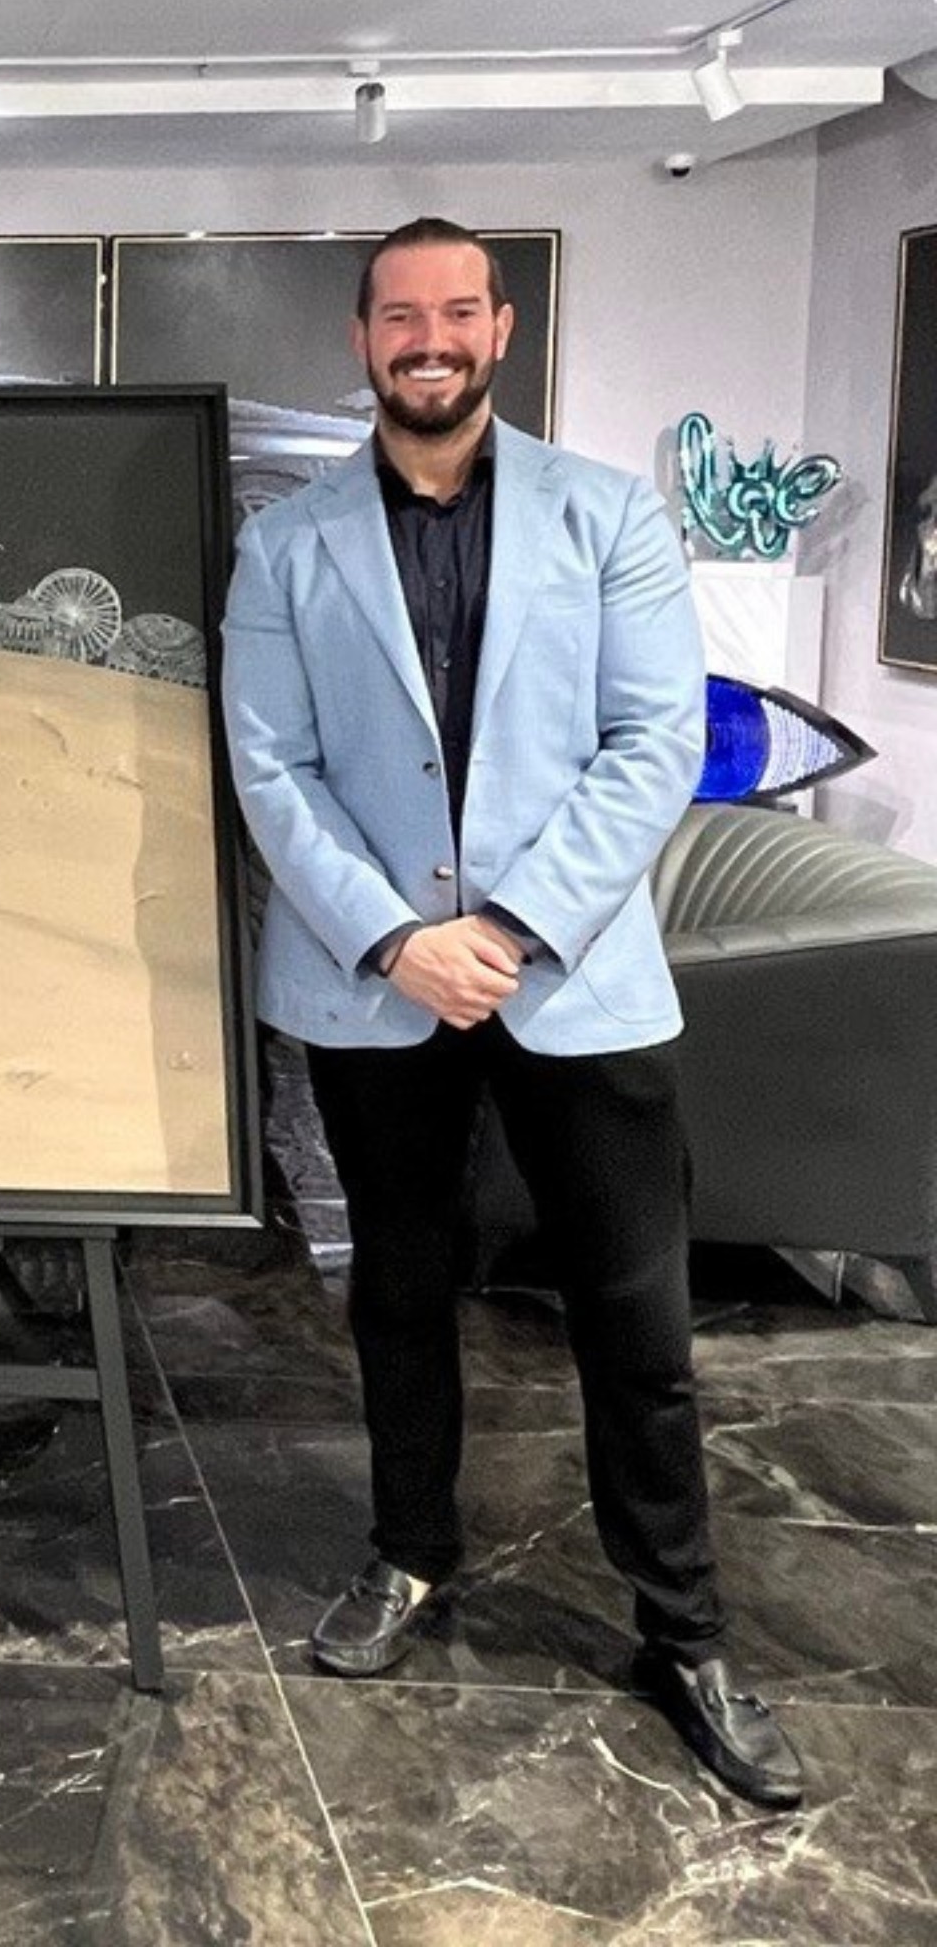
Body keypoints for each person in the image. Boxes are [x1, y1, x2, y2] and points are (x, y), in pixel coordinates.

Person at [220, 216, 802, 1811]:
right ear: (362, 339)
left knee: (637, 1317)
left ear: (501, 329)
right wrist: (398, 938)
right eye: (401, 314)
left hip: (578, 981)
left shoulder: (609, 516)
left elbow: (652, 739)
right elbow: (270, 765)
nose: (431, 338)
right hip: (378, 987)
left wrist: (516, 925)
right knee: (397, 1295)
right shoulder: (287, 546)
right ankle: (409, 1552)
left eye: (458, 311)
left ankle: (685, 1632)